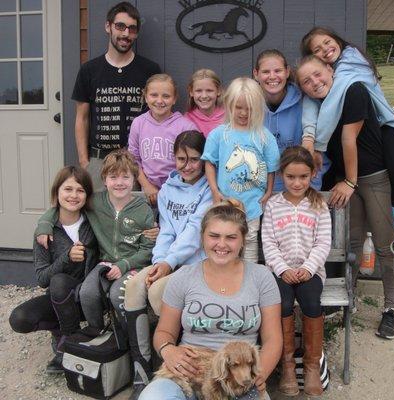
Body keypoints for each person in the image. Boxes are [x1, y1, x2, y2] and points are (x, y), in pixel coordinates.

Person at [296, 56, 394, 340]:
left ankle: (391, 308)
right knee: (351, 241)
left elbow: (347, 139)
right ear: (302, 90)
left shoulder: (353, 90)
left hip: (372, 175)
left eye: (318, 75)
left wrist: (351, 182)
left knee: (383, 244)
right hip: (346, 181)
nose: (315, 83)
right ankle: (350, 298)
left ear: (330, 70)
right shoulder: (316, 107)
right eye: (307, 81)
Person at [138, 199, 282, 400]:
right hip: (187, 373)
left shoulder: (261, 277)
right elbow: (164, 332)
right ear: (202, 238)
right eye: (214, 236)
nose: (221, 244)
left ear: (242, 240)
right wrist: (168, 350)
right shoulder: (184, 277)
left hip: (238, 376)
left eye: (231, 237)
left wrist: (258, 375)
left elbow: (273, 340)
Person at [300, 27, 394, 278]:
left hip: (384, 125)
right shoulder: (324, 80)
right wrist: (308, 138)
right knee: (330, 189)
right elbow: (310, 101)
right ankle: (334, 271)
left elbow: (342, 130)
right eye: (317, 50)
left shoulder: (350, 65)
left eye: (327, 43)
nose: (325, 50)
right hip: (349, 157)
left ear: (337, 39)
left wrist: (316, 144)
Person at [123, 131, 212, 398]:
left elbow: (194, 234)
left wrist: (168, 264)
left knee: (157, 291)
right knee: (134, 286)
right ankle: (142, 365)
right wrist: (158, 262)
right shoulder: (167, 191)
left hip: (194, 262)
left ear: (204, 160)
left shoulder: (209, 190)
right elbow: (166, 231)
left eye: (195, 159)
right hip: (169, 260)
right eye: (181, 158)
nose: (187, 165)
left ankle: (174, 361)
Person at [35, 150, 155, 332]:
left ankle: (128, 336)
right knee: (87, 292)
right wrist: (44, 223)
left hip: (132, 264)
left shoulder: (143, 209)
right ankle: (96, 330)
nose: (120, 182)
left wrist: (125, 264)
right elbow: (64, 205)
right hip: (105, 262)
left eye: (125, 177)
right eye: (113, 177)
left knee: (117, 295)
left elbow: (148, 249)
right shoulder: (96, 202)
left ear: (135, 179)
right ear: (104, 180)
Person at [9, 166, 97, 374]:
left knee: (61, 282)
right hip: (60, 297)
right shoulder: (45, 231)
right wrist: (66, 258)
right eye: (67, 189)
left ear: (87, 195)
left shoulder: (95, 222)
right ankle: (65, 334)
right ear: (56, 192)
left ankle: (67, 347)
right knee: (20, 318)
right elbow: (41, 279)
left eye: (80, 190)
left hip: (90, 296)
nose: (73, 195)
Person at [262, 146, 331, 396]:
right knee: (282, 303)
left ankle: (312, 365)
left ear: (312, 174)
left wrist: (308, 268)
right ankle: (288, 365)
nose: (297, 182)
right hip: (280, 273)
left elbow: (323, 242)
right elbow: (268, 242)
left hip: (310, 272)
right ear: (281, 175)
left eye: (303, 176)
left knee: (312, 302)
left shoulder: (318, 204)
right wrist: (282, 269)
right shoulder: (273, 205)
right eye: (291, 177)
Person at [73, 1, 161, 190]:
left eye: (132, 29)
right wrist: (84, 162)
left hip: (135, 162)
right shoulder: (89, 70)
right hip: (99, 161)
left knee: (133, 217)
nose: (125, 34)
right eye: (120, 26)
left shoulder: (150, 70)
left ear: (136, 33)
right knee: (98, 216)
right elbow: (82, 118)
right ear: (108, 26)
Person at [201, 77, 280, 262]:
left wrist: (269, 191)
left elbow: (271, 167)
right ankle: (226, 276)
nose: (244, 113)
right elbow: (209, 162)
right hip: (226, 202)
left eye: (249, 108)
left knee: (250, 240)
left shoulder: (264, 136)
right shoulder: (219, 134)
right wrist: (214, 190)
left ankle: (248, 279)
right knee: (225, 241)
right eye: (239, 108)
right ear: (229, 105)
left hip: (253, 203)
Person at [253, 49, 330, 191]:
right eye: (265, 72)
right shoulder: (249, 105)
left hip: (301, 189)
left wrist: (310, 189)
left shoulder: (306, 102)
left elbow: (318, 154)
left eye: (278, 71)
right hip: (261, 192)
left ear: (287, 72)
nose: (272, 76)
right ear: (256, 74)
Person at [128, 74, 197, 207]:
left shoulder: (185, 126)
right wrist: (147, 186)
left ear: (174, 99)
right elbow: (133, 160)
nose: (160, 101)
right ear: (146, 97)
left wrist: (174, 188)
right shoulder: (138, 123)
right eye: (154, 95)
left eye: (166, 96)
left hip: (179, 189)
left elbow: (192, 162)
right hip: (148, 191)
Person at [184, 69, 225, 137]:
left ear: (218, 91)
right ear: (191, 92)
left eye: (209, 90)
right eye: (199, 91)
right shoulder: (186, 120)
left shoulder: (228, 118)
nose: (204, 96)